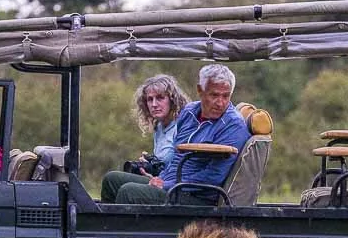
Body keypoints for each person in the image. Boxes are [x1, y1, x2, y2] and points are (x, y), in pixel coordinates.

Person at [100, 64, 250, 205]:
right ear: (200, 91)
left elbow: (213, 176)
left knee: (130, 192)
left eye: (226, 96)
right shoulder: (189, 112)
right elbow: (177, 158)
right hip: (173, 184)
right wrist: (161, 178)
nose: (220, 103)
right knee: (111, 180)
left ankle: (124, 232)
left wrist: (167, 185)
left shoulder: (232, 125)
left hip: (197, 196)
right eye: (214, 95)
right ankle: (103, 231)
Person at [132, 74, 189, 172]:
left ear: (172, 100)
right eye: (150, 99)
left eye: (160, 98)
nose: (154, 104)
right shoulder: (158, 127)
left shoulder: (182, 125)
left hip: (173, 183)